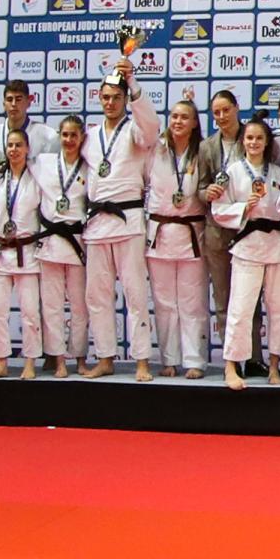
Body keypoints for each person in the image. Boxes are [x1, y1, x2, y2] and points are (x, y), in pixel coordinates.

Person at [81, 63, 160, 381]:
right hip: (97, 224)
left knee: (135, 294)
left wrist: (133, 83)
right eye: (105, 97)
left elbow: (152, 126)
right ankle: (105, 357)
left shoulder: (136, 132)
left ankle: (141, 360)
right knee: (97, 296)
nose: (110, 102)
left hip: (128, 222)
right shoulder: (89, 136)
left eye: (116, 97)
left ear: (126, 99)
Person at [210, 117, 280, 390]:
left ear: (267, 142)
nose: (254, 143)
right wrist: (244, 207)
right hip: (247, 245)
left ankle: (275, 365)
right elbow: (218, 210)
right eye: (249, 138)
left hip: (276, 245)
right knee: (240, 309)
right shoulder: (231, 172)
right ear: (242, 141)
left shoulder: (279, 173)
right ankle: (231, 366)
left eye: (259, 138)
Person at [146, 97, 209, 379]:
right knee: (164, 302)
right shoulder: (155, 150)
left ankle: (194, 360)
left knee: (192, 301)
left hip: (191, 234)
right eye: (174, 116)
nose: (178, 121)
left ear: (195, 123)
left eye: (184, 117)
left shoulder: (202, 152)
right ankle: (169, 359)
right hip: (160, 234)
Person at [0, 129, 49, 380]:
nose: (14, 150)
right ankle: (1, 361)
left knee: (30, 312)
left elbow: (45, 215)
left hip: (26, 252)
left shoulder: (37, 178)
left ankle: (30, 361)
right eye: (10, 145)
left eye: (19, 145)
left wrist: (43, 248)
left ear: (27, 148)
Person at [33, 116, 94, 377]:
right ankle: (57, 359)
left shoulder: (89, 167)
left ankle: (79, 357)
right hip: (50, 242)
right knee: (52, 306)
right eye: (65, 135)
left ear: (82, 138)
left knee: (80, 306)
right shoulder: (43, 163)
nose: (69, 140)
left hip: (76, 243)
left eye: (73, 135)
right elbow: (13, 166)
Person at [196, 89, 247, 330]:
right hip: (217, 232)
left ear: (237, 108)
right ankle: (229, 353)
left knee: (249, 301)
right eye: (217, 113)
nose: (222, 116)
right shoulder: (206, 147)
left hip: (248, 228)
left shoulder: (253, 137)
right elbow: (199, 188)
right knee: (223, 300)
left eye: (226, 110)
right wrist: (207, 193)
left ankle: (253, 352)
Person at [0, 79, 59, 162]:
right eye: (9, 99)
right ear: (4, 104)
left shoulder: (48, 135)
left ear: (28, 103)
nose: (13, 104)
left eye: (18, 99)